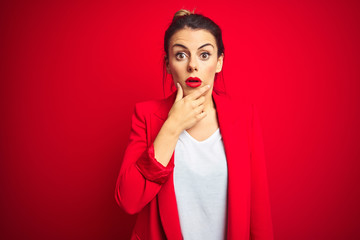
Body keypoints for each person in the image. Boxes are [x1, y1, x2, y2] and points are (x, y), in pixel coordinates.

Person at [115, 9, 274, 240]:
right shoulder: (146, 116)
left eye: (204, 55)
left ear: (219, 62)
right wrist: (172, 126)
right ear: (168, 64)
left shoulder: (244, 117)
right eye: (181, 55)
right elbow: (128, 201)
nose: (192, 65)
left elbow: (259, 210)